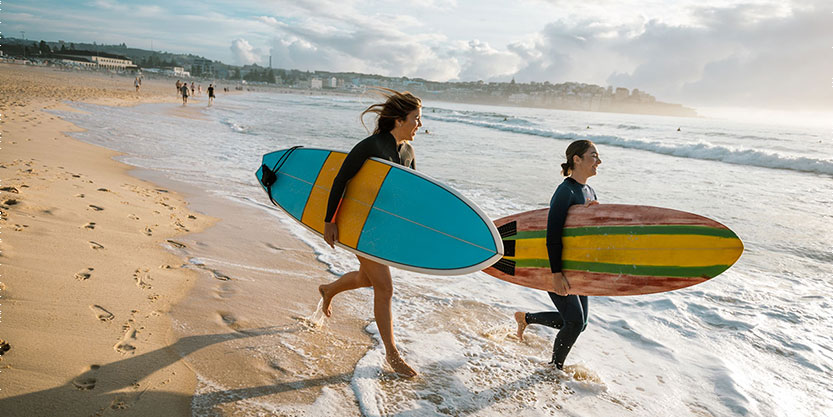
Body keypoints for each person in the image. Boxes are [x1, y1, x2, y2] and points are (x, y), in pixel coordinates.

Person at [318, 88, 422, 377]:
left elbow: (411, 194)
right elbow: (341, 178)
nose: (420, 125)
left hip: (383, 230)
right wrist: (330, 221)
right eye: (416, 118)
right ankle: (392, 354)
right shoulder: (372, 146)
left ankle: (329, 290)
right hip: (361, 226)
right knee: (385, 287)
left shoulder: (408, 152)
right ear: (400, 119)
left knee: (367, 278)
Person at [514, 139, 601, 370]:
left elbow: (583, 233)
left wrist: (593, 214)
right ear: (577, 159)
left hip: (575, 266)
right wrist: (556, 274)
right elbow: (552, 234)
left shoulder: (588, 190)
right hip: (555, 265)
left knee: (579, 323)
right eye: (593, 156)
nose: (598, 161)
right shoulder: (565, 191)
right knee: (573, 321)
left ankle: (526, 319)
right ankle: (554, 368)